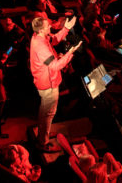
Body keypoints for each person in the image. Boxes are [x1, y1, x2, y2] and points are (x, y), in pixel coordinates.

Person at [29, 15, 81, 152]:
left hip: (43, 80)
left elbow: (54, 39)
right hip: (48, 84)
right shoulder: (40, 46)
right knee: (49, 113)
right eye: (47, 26)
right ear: (41, 30)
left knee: (44, 111)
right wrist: (70, 53)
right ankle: (43, 143)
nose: (50, 26)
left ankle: (42, 134)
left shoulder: (39, 37)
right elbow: (55, 66)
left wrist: (66, 28)